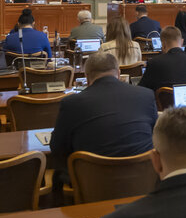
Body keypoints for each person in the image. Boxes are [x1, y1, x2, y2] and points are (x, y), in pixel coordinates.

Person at [51, 52, 158, 185]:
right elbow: (155, 137)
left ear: (87, 77)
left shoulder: (71, 103)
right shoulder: (145, 95)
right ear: (118, 73)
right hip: (142, 182)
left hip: (91, 185)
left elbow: (57, 148)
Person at [138, 27, 186, 91]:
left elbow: (142, 89)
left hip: (164, 101)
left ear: (163, 44)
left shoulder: (154, 63)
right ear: (182, 42)